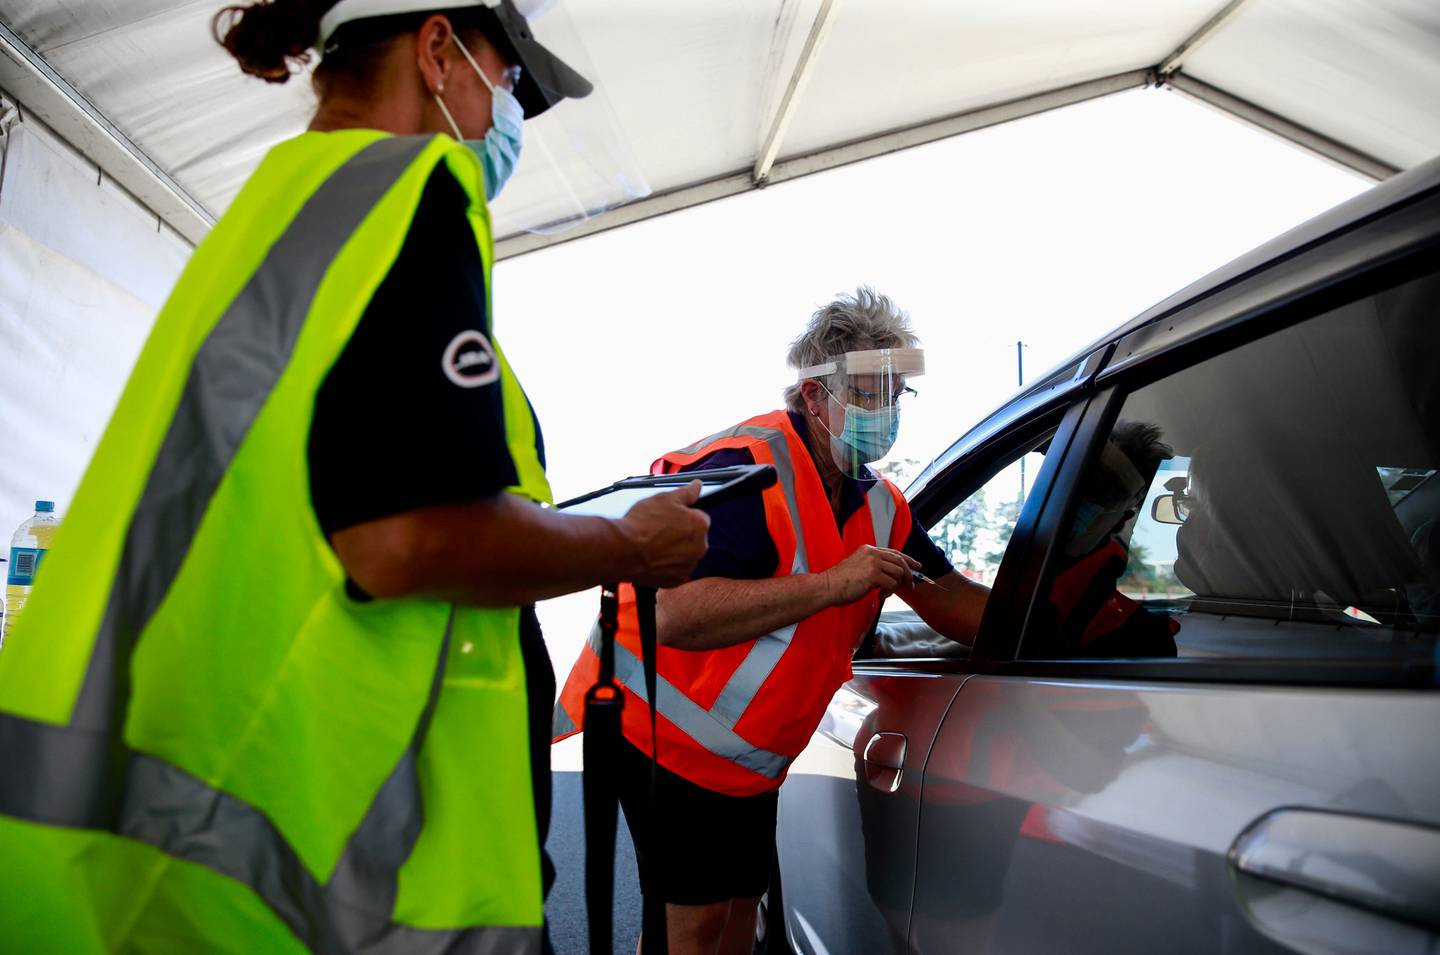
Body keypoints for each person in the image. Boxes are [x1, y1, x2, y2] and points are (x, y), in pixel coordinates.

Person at [0, 2, 709, 952]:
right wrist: (628, 543)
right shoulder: (406, 187)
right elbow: (405, 535)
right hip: (274, 851)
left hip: (157, 835)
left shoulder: (283, 206)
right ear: (436, 49)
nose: (507, 115)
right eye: (507, 81)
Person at [555, 287, 989, 954]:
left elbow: (953, 600)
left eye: (896, 394)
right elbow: (673, 614)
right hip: (663, 734)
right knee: (692, 930)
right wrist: (832, 584)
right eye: (869, 393)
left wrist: (1059, 622)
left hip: (747, 760)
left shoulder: (880, 504)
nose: (886, 412)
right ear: (815, 395)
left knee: (738, 922)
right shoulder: (743, 470)